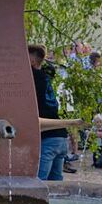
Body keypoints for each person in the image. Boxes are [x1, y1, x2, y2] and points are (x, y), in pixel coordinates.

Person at [30, 44, 66, 181]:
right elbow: (49, 67)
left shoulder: (33, 77)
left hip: (48, 138)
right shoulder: (46, 75)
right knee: (57, 186)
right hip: (61, 136)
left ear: (32, 61)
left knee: (38, 184)